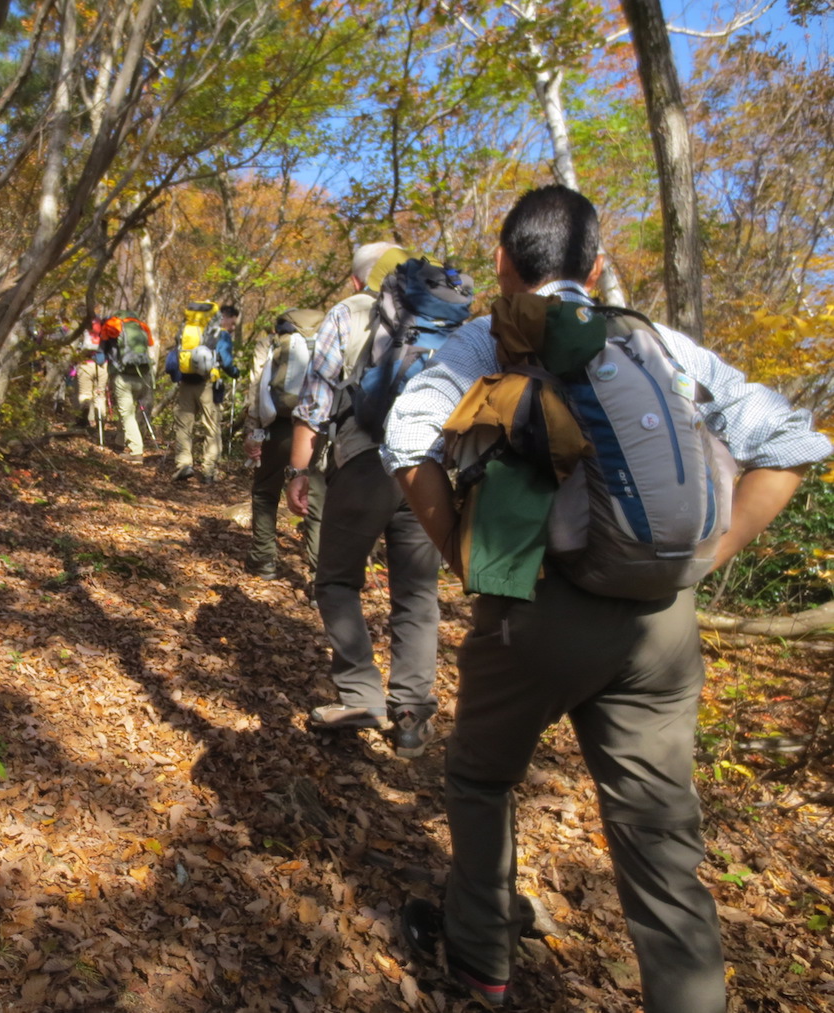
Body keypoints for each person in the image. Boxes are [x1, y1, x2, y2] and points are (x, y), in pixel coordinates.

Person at [384, 184, 831, 1010]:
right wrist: (704, 556)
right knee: (661, 841)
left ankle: (481, 960)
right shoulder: (655, 346)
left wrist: (461, 554)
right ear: (595, 266)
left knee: (483, 778)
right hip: (664, 622)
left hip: (538, 610)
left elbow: (407, 438)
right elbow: (794, 441)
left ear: (501, 263)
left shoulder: (490, 336)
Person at [284, 243, 442, 757]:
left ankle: (362, 693)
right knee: (416, 595)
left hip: (367, 463)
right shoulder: (440, 317)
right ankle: (412, 712)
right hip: (432, 470)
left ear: (358, 282)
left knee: (334, 579)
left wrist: (299, 470)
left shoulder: (348, 314)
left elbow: (316, 398)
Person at [243, 308, 326, 580]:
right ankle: (318, 578)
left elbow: (256, 387)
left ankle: (263, 559)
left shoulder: (271, 344)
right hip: (319, 430)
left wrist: (252, 431)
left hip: (279, 426)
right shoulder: (328, 339)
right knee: (315, 498)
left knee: (266, 492)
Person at [169, 303, 240, 484]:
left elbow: (176, 355)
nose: (232, 327)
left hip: (185, 383)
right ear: (222, 317)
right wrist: (235, 372)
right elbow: (225, 361)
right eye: (232, 322)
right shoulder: (220, 334)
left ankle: (183, 465)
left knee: (184, 426)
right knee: (211, 427)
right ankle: (209, 471)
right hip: (208, 385)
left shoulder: (187, 330)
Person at [100, 314, 155, 462]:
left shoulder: (112, 329)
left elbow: (101, 356)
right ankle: (120, 441)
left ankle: (136, 451)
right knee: (134, 411)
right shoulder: (140, 327)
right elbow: (150, 345)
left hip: (123, 377)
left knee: (126, 413)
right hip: (144, 375)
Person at [74, 316, 107, 432]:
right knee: (100, 395)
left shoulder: (82, 326)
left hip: (86, 363)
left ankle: (82, 422)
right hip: (103, 364)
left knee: (85, 394)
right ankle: (101, 424)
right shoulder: (104, 326)